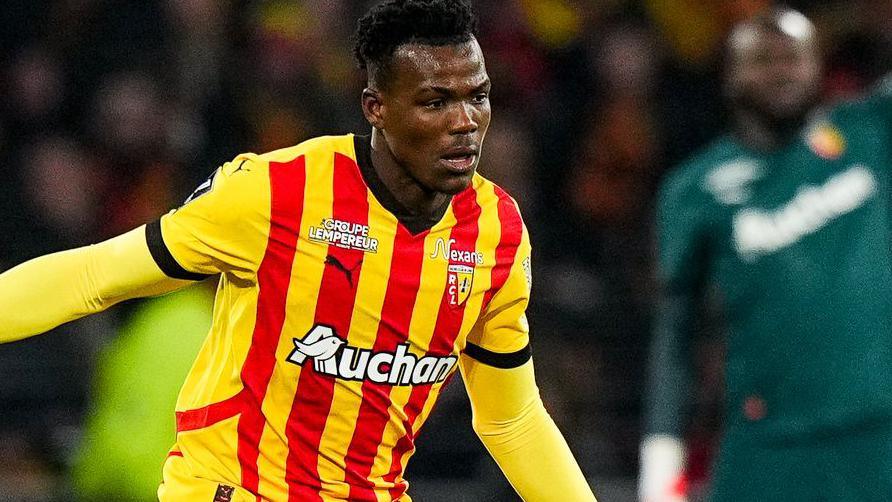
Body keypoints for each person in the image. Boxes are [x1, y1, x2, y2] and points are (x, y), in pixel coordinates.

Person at [0, 1, 596, 501]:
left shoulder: (497, 232)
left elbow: (511, 418)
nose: (466, 121)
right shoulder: (276, 192)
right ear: (376, 109)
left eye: (478, 96)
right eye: (436, 102)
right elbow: (93, 276)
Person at [640, 7, 892, 502]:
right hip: (767, 445)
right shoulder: (695, 189)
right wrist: (661, 457)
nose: (781, 71)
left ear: (818, 66)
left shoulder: (868, 129)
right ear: (731, 75)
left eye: (794, 57)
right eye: (764, 59)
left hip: (879, 430)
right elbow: (676, 328)